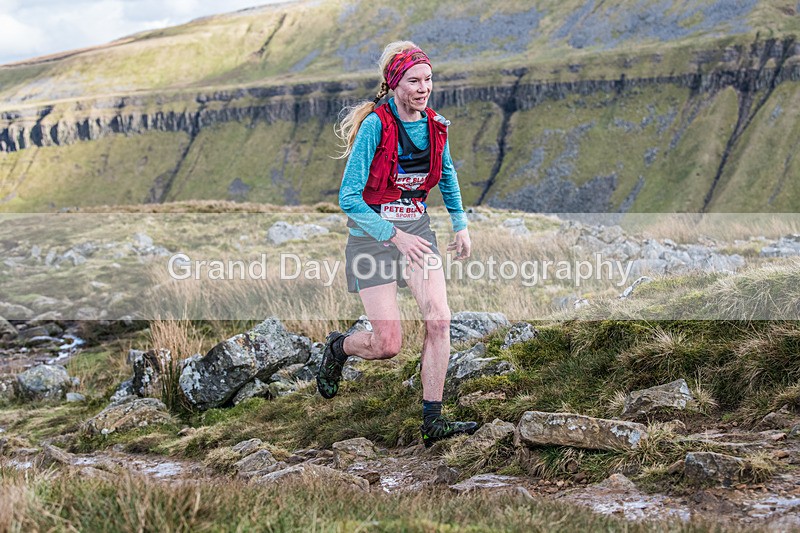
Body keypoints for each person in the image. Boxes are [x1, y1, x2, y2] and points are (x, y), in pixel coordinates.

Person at [316, 41, 479, 448]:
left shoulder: (436, 125)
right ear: (394, 83)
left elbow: (448, 175)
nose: (423, 89)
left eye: (428, 80)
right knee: (388, 345)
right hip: (371, 240)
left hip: (418, 235)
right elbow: (349, 198)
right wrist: (394, 235)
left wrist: (460, 225)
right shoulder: (376, 125)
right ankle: (339, 347)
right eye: (414, 81)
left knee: (439, 320)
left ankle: (433, 422)